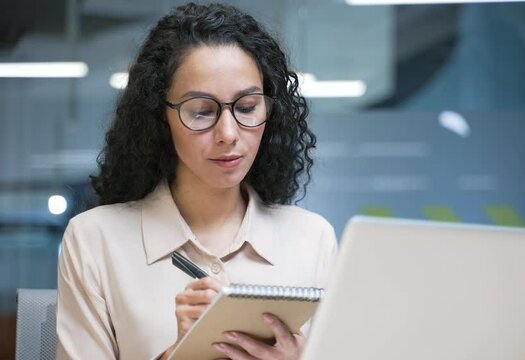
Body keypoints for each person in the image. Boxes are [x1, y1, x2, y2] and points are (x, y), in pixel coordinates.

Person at [55, 3, 337, 359]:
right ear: (161, 117)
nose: (229, 133)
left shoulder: (313, 239)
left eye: (247, 107)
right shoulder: (95, 240)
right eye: (202, 111)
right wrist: (183, 352)